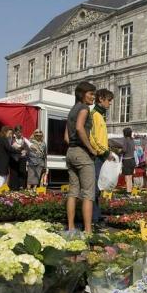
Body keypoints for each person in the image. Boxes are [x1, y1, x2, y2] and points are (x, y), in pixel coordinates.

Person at [64, 81, 97, 234]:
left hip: (70, 152)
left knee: (73, 191)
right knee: (88, 194)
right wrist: (90, 149)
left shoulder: (72, 110)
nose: (93, 97)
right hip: (82, 153)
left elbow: (66, 137)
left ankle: (70, 228)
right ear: (82, 94)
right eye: (91, 94)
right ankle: (88, 231)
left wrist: (74, 146)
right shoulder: (84, 109)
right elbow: (79, 128)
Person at [89, 89, 115, 223]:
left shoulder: (100, 115)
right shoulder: (94, 114)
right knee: (94, 188)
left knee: (99, 187)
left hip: (101, 155)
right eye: (108, 100)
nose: (110, 104)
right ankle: (93, 219)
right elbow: (92, 137)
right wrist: (104, 152)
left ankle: (97, 215)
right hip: (97, 156)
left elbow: (100, 137)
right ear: (101, 99)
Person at [9, 125, 29, 190]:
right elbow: (11, 147)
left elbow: (29, 146)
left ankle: (21, 186)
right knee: (14, 173)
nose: (19, 133)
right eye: (18, 132)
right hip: (14, 158)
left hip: (22, 158)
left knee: (22, 172)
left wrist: (26, 150)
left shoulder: (24, 139)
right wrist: (19, 148)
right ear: (15, 132)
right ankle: (14, 187)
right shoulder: (11, 138)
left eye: (20, 132)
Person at [120, 127, 136, 194]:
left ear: (125, 133)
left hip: (127, 160)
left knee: (127, 177)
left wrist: (119, 151)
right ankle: (130, 190)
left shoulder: (126, 140)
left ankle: (128, 191)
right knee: (130, 176)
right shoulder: (132, 140)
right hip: (132, 160)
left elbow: (124, 150)